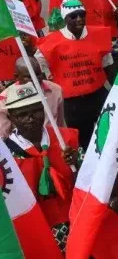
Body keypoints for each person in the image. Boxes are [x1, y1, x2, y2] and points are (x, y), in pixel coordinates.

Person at [4, 81, 79, 252]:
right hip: (38, 230)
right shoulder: (7, 157)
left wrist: (76, 163)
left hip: (74, 220)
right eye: (22, 114)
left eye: (36, 110)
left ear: (43, 109)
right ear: (12, 118)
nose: (31, 118)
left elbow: (87, 184)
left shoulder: (66, 140)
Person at [35, 0, 113, 149]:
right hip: (72, 103)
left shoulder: (98, 35)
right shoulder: (51, 42)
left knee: (107, 132)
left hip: (98, 95)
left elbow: (108, 64)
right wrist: (49, 79)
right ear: (65, 18)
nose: (79, 19)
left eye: (82, 15)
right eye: (73, 16)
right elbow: (39, 63)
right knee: (81, 138)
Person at [0, 57, 65, 139]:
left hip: (54, 144)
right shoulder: (4, 99)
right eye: (29, 76)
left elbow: (60, 124)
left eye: (38, 74)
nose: (35, 79)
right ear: (16, 77)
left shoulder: (56, 90)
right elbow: (3, 135)